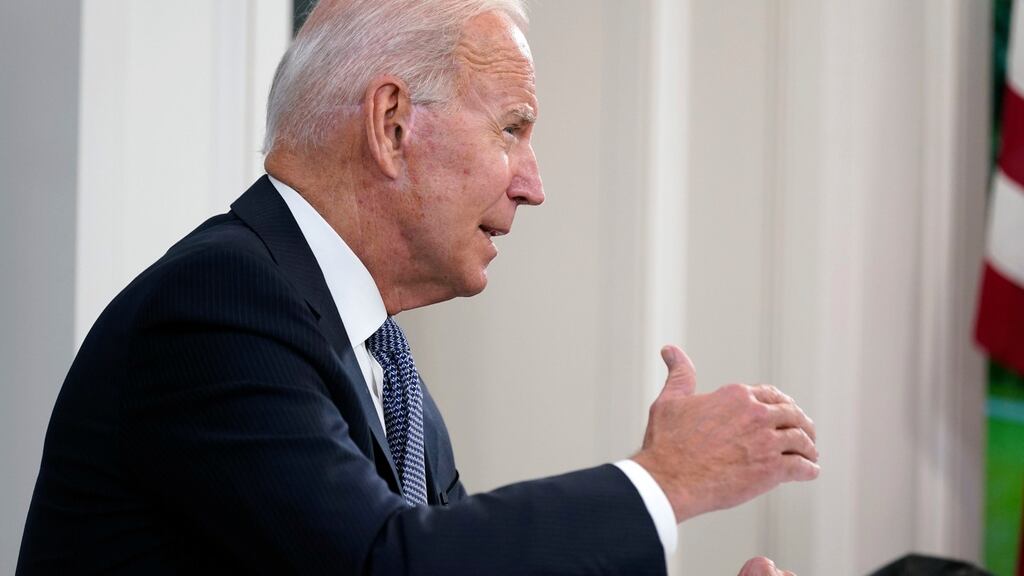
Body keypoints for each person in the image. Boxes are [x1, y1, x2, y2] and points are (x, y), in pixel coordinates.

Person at [16, 1, 818, 574]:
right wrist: (666, 478)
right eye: (513, 128)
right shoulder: (220, 304)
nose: (533, 184)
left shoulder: (384, 365)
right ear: (392, 124)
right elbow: (386, 564)